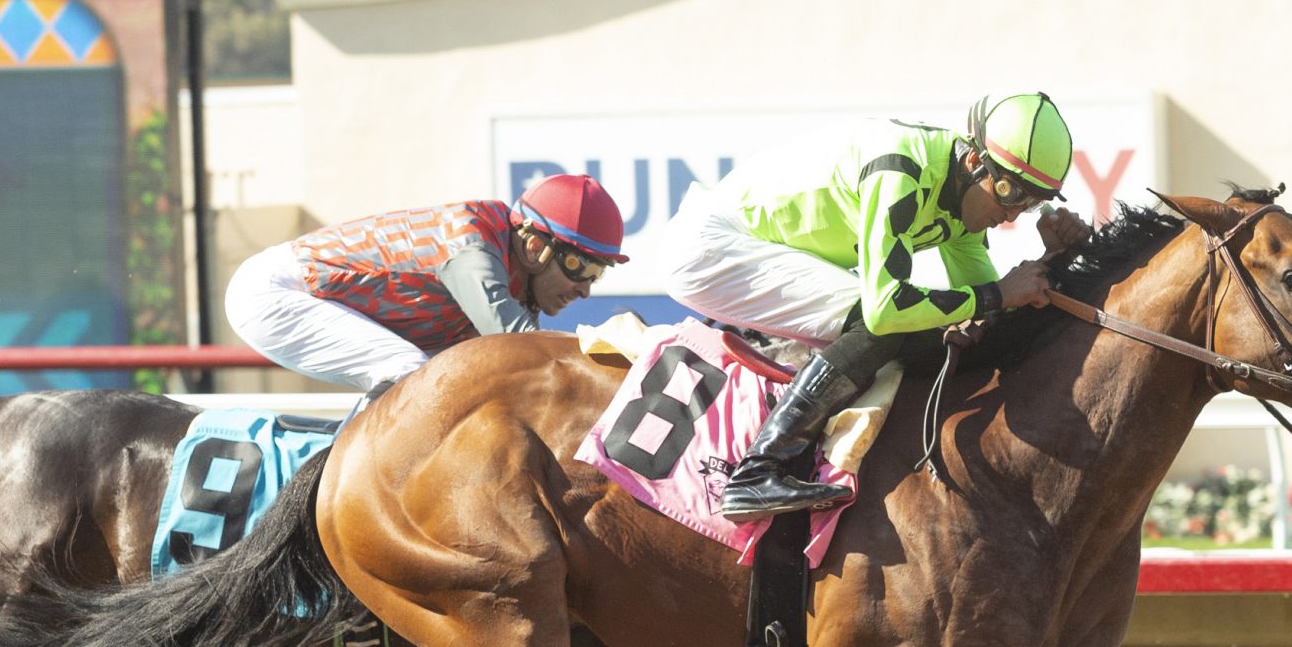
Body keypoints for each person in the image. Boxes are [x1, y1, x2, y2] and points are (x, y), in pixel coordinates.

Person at [661, 92, 1090, 522]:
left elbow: (989, 317)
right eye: (1008, 191)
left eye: (1030, 201)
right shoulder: (901, 169)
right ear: (975, 163)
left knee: (922, 332)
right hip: (714, 246)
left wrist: (1053, 259)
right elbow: (887, 310)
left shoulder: (961, 205)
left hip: (747, 245)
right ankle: (760, 467)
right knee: (887, 322)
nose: (1012, 213)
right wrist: (997, 293)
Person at [225, 172, 627, 394]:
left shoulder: (516, 269)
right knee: (408, 371)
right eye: (579, 267)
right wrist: (618, 357)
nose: (585, 289)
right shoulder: (472, 246)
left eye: (598, 273)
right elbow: (518, 345)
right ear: (535, 245)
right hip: (275, 292)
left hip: (301, 289)